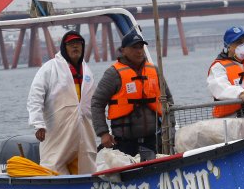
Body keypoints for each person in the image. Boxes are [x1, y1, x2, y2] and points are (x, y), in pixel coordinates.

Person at [26, 30, 97, 175]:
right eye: (71, 44)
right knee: (53, 166)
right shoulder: (49, 68)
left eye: (78, 44)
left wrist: (102, 129)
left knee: (86, 167)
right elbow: (35, 97)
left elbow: (94, 102)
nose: (75, 47)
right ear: (64, 47)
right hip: (57, 132)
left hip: (84, 132)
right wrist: (38, 124)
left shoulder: (87, 71)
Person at [91, 31, 163, 162]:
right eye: (134, 47)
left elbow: (167, 99)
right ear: (123, 50)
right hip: (125, 143)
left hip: (152, 140)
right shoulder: (113, 74)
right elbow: (97, 103)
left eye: (141, 47)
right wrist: (103, 133)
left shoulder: (154, 71)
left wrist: (171, 126)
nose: (139, 51)